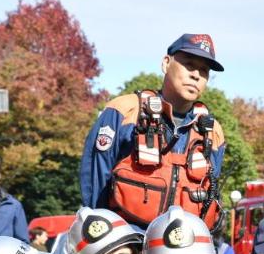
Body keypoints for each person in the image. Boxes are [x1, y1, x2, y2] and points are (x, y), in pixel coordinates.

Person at [79, 34, 227, 232]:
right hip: (126, 240)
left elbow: (210, 190)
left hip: (183, 249)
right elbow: (96, 178)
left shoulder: (212, 131)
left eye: (204, 71)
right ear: (166, 63)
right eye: (189, 65)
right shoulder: (125, 110)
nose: (196, 75)